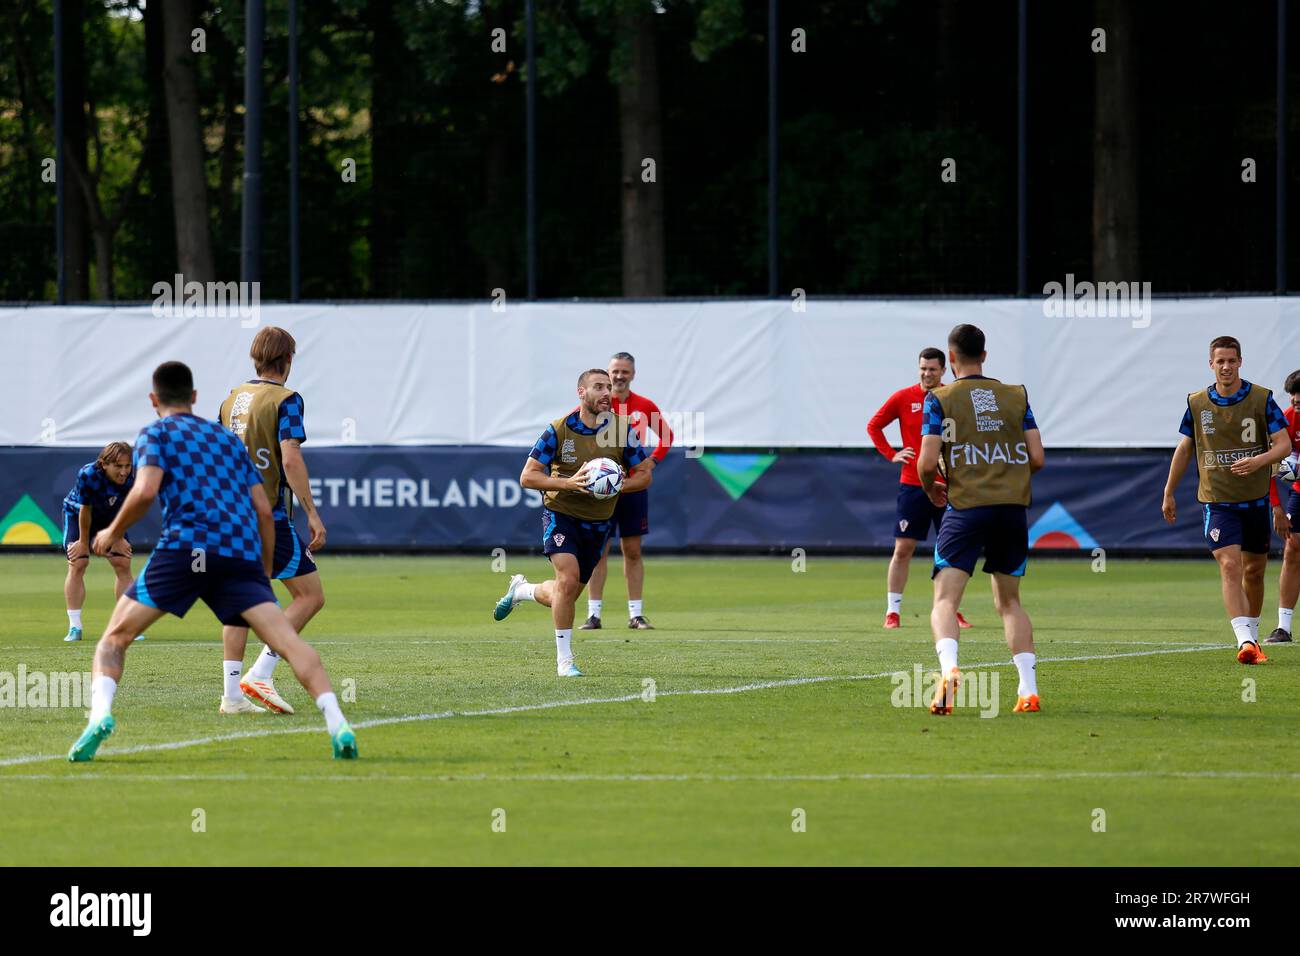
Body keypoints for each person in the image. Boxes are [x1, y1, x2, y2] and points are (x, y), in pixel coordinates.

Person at [67, 361, 357, 762]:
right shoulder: (225, 440)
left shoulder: (156, 432)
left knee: (114, 638)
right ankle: (337, 720)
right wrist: (264, 567)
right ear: (195, 398)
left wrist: (111, 532)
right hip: (237, 551)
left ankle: (98, 717)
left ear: (154, 400)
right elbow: (261, 505)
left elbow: (146, 491)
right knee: (289, 642)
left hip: (184, 548)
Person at [916, 324, 1045, 715]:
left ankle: (950, 668)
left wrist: (931, 488)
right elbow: (1037, 458)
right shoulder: (1015, 396)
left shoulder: (940, 398)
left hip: (967, 507)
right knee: (1009, 603)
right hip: (1011, 510)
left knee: (944, 599)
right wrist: (1008, 479)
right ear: (985, 356)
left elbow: (925, 462)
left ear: (950, 359)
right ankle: (1028, 691)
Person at [492, 368, 654, 676]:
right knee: (567, 582)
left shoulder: (622, 430)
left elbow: (645, 474)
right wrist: (571, 484)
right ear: (581, 392)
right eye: (598, 387)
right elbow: (528, 476)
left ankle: (522, 590)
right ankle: (565, 661)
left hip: (599, 523)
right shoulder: (558, 430)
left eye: (609, 387)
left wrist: (618, 485)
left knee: (562, 594)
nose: (607, 392)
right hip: (561, 514)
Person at [215, 326, 327, 715]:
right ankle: (260, 673)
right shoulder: (286, 399)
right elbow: (291, 459)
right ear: (288, 360)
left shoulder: (232, 399)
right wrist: (312, 512)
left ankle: (231, 697)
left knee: (240, 598)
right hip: (265, 515)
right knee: (310, 595)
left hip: (227, 513)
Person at [1162, 336, 1292, 664]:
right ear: (1211, 364)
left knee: (1255, 571)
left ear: (1240, 362)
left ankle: (1253, 631)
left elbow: (1284, 444)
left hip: (1255, 500)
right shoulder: (1197, 403)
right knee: (1230, 565)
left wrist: (1258, 462)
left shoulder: (1262, 399)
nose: (1226, 367)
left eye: (1231, 361)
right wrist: (1169, 491)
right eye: (1220, 361)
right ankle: (1245, 641)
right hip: (1217, 502)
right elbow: (1185, 447)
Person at [867, 347, 972, 631]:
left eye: (933, 369)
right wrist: (892, 454)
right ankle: (893, 612)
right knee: (903, 548)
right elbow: (874, 426)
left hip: (948, 485)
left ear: (944, 371)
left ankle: (952, 610)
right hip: (913, 485)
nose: (927, 374)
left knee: (950, 550)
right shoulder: (904, 397)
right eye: (923, 369)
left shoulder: (952, 397)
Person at [582, 351, 673, 630]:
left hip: (632, 487)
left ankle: (635, 614)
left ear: (633, 374)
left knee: (632, 551)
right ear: (608, 375)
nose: (619, 376)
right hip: (601, 489)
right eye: (615, 371)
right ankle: (593, 614)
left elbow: (666, 436)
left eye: (625, 371)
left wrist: (651, 463)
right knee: (597, 551)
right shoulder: (596, 406)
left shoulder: (644, 405)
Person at [60, 442, 136, 642]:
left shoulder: (135, 474)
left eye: (127, 466)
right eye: (118, 466)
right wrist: (84, 543)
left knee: (122, 563)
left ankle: (126, 624)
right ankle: (75, 627)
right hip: (78, 514)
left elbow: (129, 506)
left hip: (111, 517)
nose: (124, 472)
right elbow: (85, 511)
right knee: (78, 562)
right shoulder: (88, 474)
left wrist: (117, 537)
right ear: (104, 464)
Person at [1265, 369, 1300, 644]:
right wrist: (1276, 507)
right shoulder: (1287, 419)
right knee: (1292, 550)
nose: (1296, 399)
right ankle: (1283, 628)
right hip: (1299, 493)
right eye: (1292, 394)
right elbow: (1271, 466)